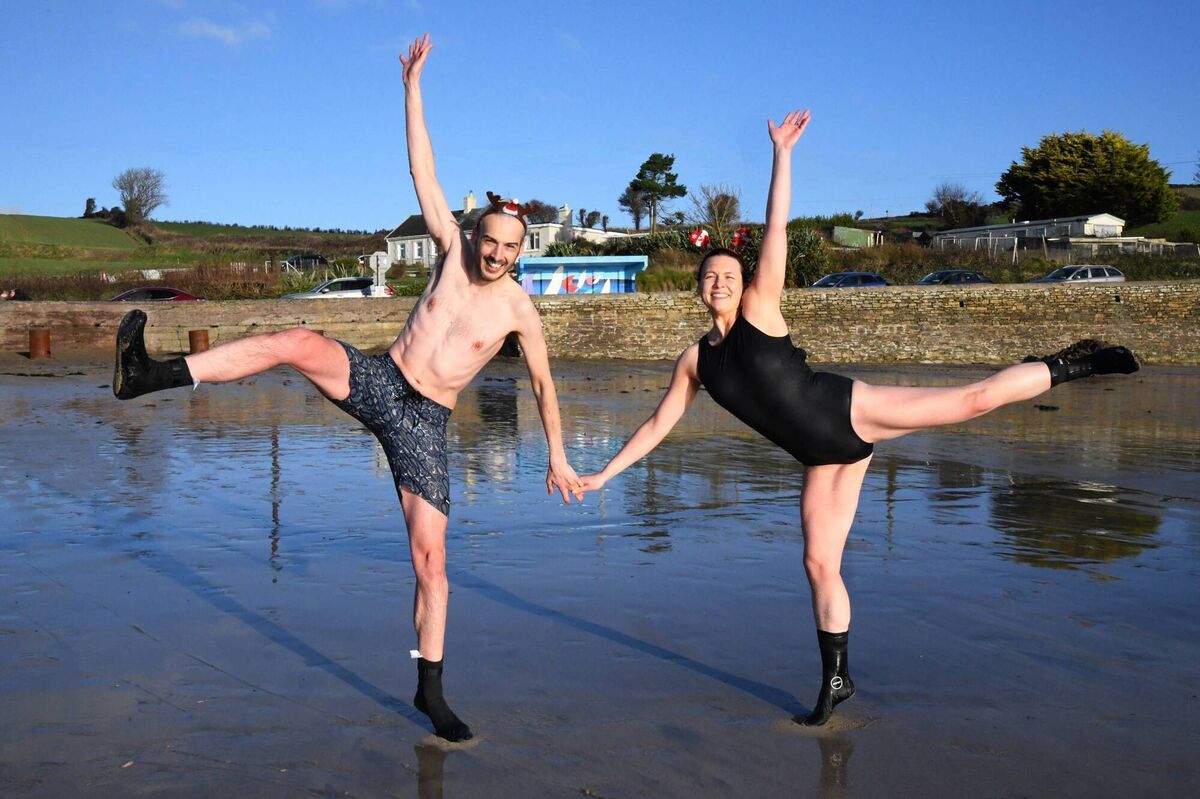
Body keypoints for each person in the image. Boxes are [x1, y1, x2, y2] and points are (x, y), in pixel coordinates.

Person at [578, 108, 1139, 727]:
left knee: (972, 400)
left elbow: (777, 229)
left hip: (851, 410)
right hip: (823, 458)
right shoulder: (695, 362)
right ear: (698, 288)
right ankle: (837, 678)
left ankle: (1074, 363)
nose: (718, 282)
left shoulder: (764, 308)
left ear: (744, 285)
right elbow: (658, 427)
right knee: (819, 564)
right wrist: (604, 475)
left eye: (728, 276)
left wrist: (782, 154)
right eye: (709, 276)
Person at [112, 33, 583, 742]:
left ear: (523, 250)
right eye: (491, 240)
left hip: (425, 423)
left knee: (433, 562)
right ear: (477, 232)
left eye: (510, 247)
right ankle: (150, 373)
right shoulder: (452, 250)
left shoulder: (520, 310)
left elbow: (544, 386)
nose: (496, 253)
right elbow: (423, 170)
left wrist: (557, 455)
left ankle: (430, 689)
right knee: (295, 342)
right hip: (381, 378)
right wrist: (412, 87)